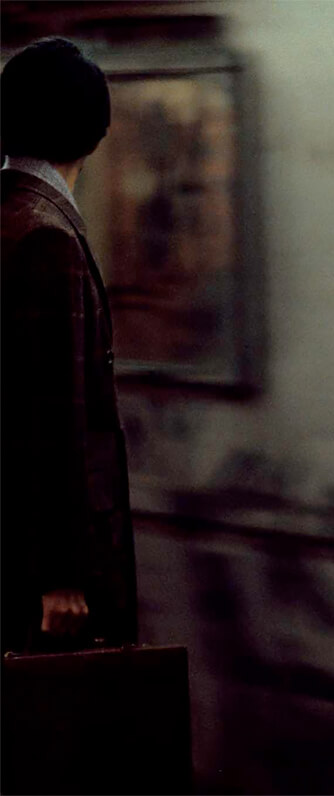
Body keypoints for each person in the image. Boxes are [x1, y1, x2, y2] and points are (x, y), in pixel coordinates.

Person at [1, 38, 138, 654]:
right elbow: (51, 411)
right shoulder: (47, 238)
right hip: (44, 583)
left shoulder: (11, 215)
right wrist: (61, 574)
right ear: (94, 132)